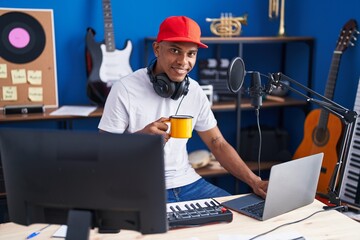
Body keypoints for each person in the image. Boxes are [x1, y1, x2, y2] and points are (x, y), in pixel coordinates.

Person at [98, 15, 268, 202]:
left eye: (191, 54)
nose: (183, 61)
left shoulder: (194, 90)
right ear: (157, 49)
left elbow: (217, 142)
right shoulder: (124, 88)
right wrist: (140, 139)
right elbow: (105, 151)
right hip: (140, 185)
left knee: (237, 216)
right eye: (175, 50)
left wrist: (254, 182)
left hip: (189, 183)